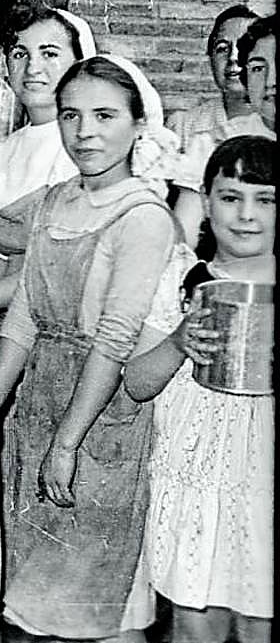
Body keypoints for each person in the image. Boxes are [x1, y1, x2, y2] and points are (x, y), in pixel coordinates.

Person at [0, 55, 183, 642]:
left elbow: (115, 340)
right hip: (38, 411)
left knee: (102, 609)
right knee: (35, 602)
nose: (85, 132)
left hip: (99, 423)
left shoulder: (143, 216)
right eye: (71, 116)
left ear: (137, 124)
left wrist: (67, 443)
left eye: (103, 115)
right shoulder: (53, 201)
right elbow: (24, 314)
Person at [123, 135, 274, 643]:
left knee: (259, 623)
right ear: (205, 202)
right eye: (230, 197)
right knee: (194, 625)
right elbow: (137, 383)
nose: (247, 215)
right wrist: (177, 343)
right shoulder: (180, 279)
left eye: (266, 199)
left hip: (262, 488)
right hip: (196, 487)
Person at [0, 0, 97, 352]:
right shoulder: (4, 152)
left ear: (78, 63)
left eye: (50, 53)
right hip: (8, 337)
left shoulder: (83, 148)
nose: (33, 67)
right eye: (20, 53)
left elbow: (54, 272)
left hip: (69, 336)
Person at [169, 6, 270, 246]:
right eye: (222, 49)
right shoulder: (182, 126)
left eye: (245, 48)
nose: (234, 57)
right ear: (210, 58)